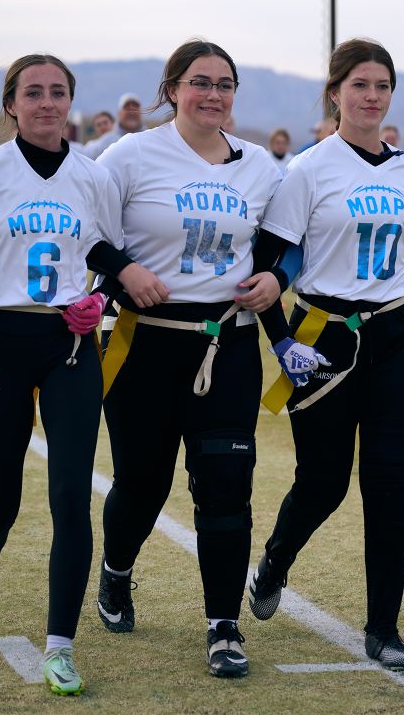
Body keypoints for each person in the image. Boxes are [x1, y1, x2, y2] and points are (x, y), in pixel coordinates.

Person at [0, 52, 132, 697]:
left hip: (68, 345)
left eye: (57, 92)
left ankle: (60, 646)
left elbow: (105, 254)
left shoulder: (91, 175)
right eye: (34, 93)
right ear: (11, 105)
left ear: (69, 101)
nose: (47, 103)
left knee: (73, 497)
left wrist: (99, 298)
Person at [93, 39, 288, 679]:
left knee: (226, 488)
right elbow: (86, 233)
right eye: (200, 82)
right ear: (172, 88)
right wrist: (123, 271)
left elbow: (284, 246)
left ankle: (223, 627)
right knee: (142, 484)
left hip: (226, 344)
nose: (213, 94)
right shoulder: (129, 154)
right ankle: (116, 571)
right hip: (144, 342)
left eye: (225, 84)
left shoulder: (260, 166)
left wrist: (276, 281)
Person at [246, 38, 404, 672]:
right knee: (324, 481)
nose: (371, 96)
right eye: (359, 85)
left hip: (397, 334)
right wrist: (282, 338)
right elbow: (268, 266)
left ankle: (384, 627)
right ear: (335, 92)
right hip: (324, 335)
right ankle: (274, 562)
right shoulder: (308, 169)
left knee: (390, 479)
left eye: (381, 86)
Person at [83, 92, 144, 159]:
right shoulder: (107, 142)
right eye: (127, 109)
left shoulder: (148, 138)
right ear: (119, 113)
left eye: (135, 109)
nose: (132, 112)